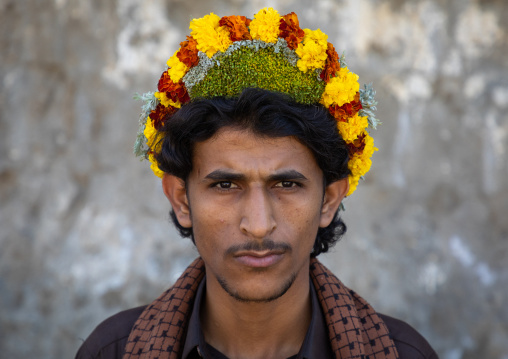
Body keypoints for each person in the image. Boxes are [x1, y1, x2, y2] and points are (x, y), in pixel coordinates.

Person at [76, 8, 439, 359]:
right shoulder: (113, 351)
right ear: (181, 200)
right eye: (225, 186)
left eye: (286, 185)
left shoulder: (402, 353)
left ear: (329, 200)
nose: (259, 224)